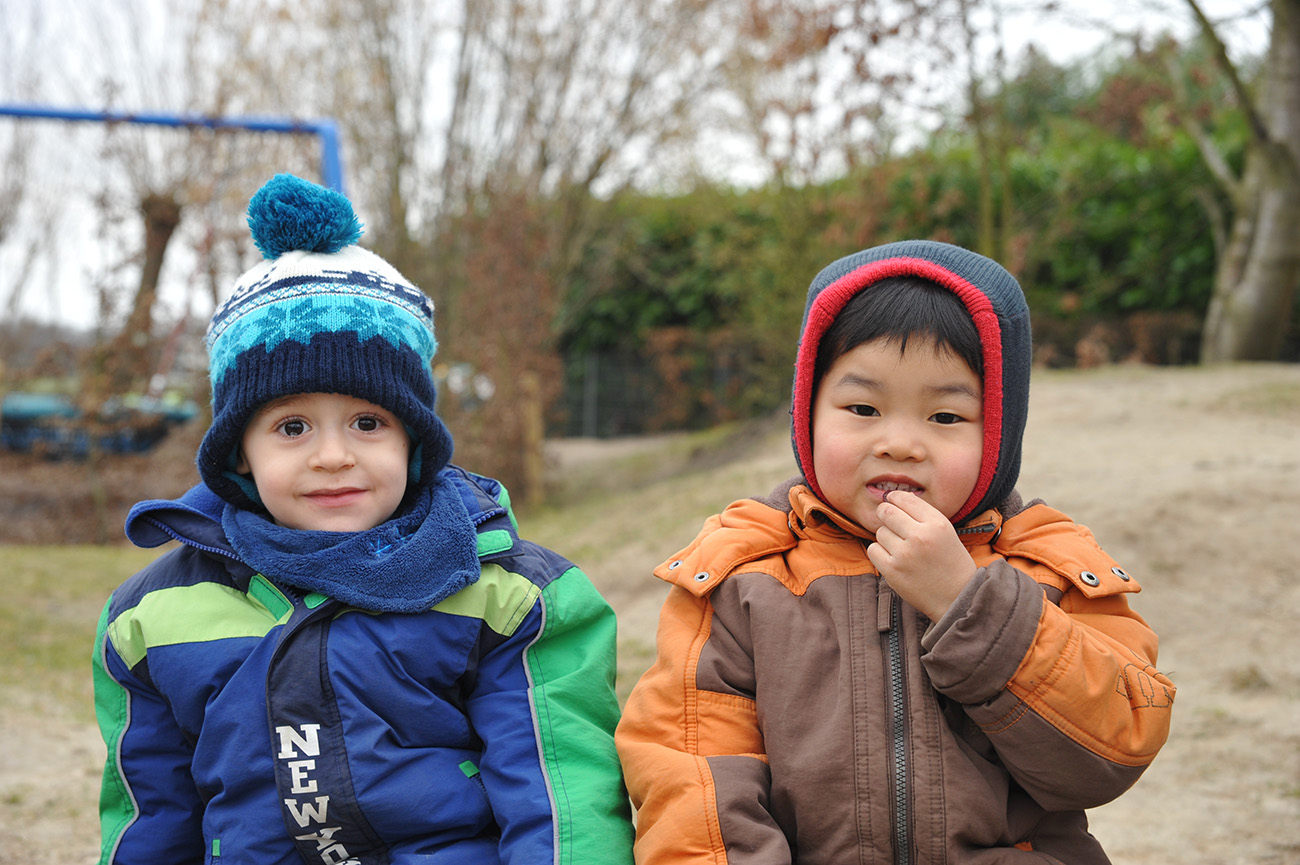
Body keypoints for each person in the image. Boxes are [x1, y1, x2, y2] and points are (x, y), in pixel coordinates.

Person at [92, 173, 634, 865]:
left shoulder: (511, 596)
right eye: (291, 427)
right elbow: (151, 816)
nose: (333, 456)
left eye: (368, 421)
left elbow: (560, 801)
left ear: (415, 439)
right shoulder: (151, 617)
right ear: (238, 454)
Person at [615, 240, 1175, 864]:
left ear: (1000, 431)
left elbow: (1111, 755)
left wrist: (972, 604)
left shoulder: (1047, 565)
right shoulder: (743, 573)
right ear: (807, 412)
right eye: (862, 408)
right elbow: (690, 769)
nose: (901, 443)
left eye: (944, 416)